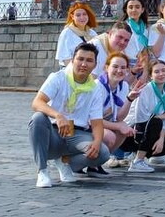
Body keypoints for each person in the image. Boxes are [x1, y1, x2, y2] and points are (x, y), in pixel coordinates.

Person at [28, 42, 110, 187]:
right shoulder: (58, 77)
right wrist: (58, 116)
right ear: (73, 60)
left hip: (77, 134)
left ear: (95, 64)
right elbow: (37, 102)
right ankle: (42, 171)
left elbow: (97, 122)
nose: (84, 64)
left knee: (103, 153)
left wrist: (97, 142)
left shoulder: (95, 88)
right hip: (54, 131)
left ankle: (64, 162)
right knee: (38, 118)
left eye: (89, 60)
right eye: (80, 59)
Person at [127, 60, 165, 173]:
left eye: (164, 71)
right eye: (157, 72)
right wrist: (163, 116)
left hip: (152, 128)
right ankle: (137, 161)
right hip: (134, 130)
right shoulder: (145, 90)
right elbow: (141, 117)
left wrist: (161, 139)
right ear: (150, 75)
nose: (161, 74)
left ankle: (141, 158)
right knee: (155, 122)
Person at [122, 0, 159, 82]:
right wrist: (129, 67)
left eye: (137, 7)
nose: (134, 10)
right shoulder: (123, 27)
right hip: (127, 65)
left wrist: (145, 72)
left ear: (142, 10)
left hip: (143, 64)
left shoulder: (146, 29)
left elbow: (145, 51)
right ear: (126, 10)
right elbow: (119, 49)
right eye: (130, 7)